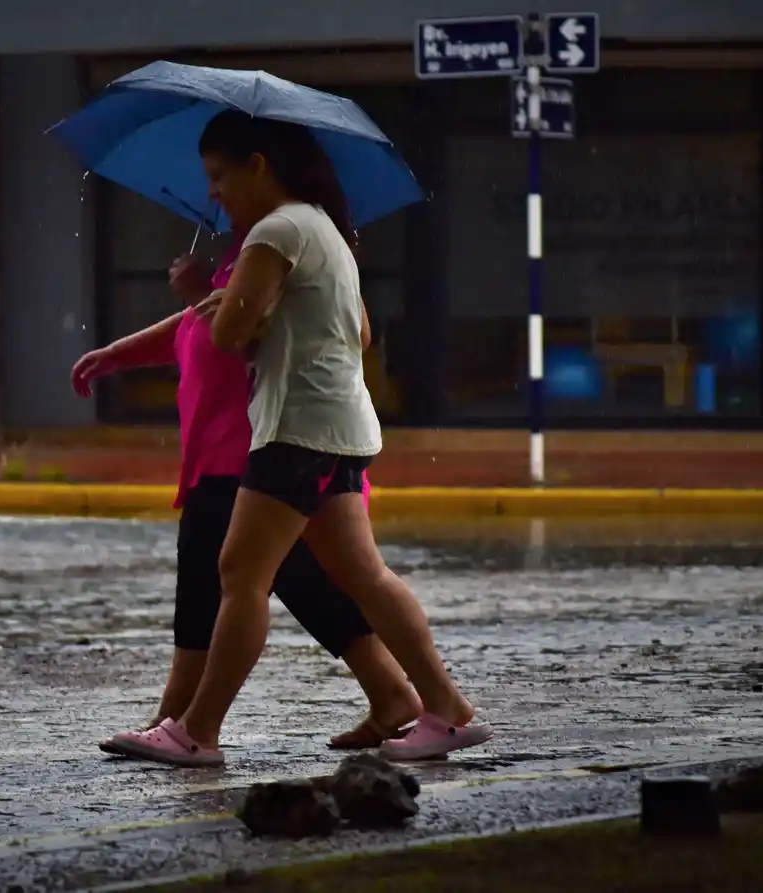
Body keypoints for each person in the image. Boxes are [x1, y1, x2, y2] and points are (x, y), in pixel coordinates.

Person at [112, 111, 492, 767]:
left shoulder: (276, 230)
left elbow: (230, 337)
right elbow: (358, 335)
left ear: (257, 165)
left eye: (219, 176)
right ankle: (445, 707)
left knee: (240, 573)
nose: (214, 193)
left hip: (296, 432)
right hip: (338, 430)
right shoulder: (323, 229)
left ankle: (195, 729)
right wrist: (240, 305)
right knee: (362, 575)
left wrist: (214, 295)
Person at [71, 232, 423, 753]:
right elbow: (197, 324)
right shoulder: (249, 254)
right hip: (230, 453)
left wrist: (194, 293)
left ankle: (182, 719)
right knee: (303, 581)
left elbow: (245, 335)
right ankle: (391, 691)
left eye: (224, 178)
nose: (217, 193)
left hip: (248, 453)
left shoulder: (281, 251)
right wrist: (120, 353)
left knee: (210, 584)